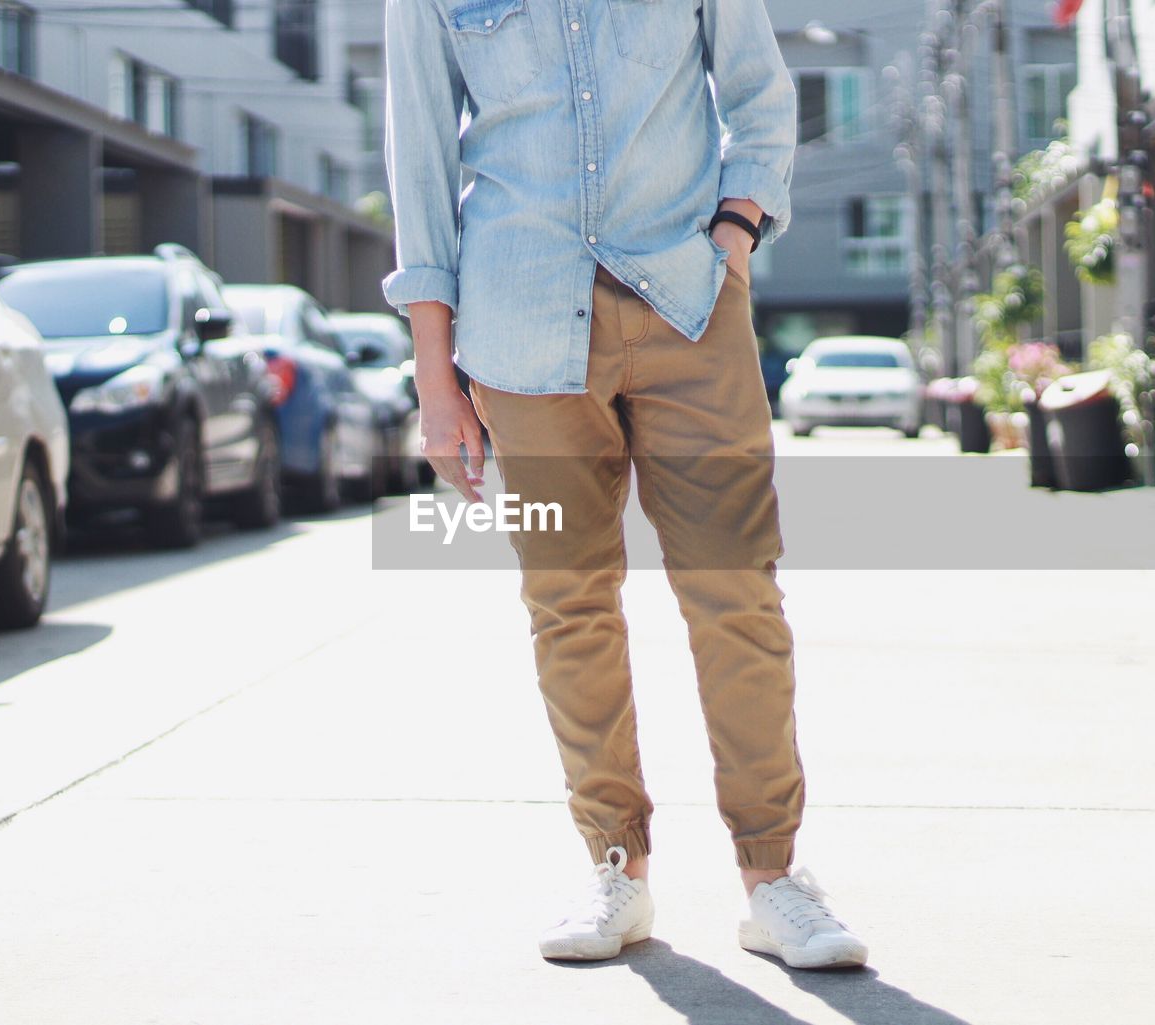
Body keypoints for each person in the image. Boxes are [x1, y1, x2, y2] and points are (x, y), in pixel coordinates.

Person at [382, 0, 867, 969]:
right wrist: (435, 376)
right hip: (520, 328)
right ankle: (614, 865)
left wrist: (734, 228)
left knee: (735, 591)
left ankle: (770, 876)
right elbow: (422, 162)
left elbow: (759, 90)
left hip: (689, 309)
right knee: (568, 602)